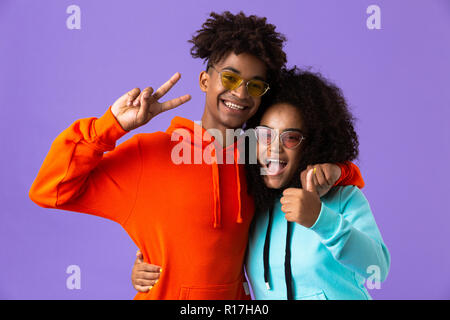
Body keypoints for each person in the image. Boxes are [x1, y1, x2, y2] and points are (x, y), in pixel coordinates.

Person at [29, 12, 363, 300]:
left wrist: (338, 171)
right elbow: (50, 190)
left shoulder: (256, 159)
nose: (240, 93)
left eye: (255, 85)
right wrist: (111, 126)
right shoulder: (150, 155)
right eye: (230, 77)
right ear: (205, 80)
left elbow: (336, 178)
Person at [131, 67, 388, 300]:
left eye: (291, 138)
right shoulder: (253, 202)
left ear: (312, 144)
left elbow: (378, 267)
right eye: (264, 135)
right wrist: (152, 264)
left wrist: (320, 219)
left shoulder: (343, 198)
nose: (273, 149)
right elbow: (209, 251)